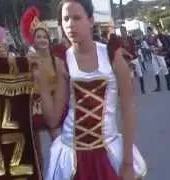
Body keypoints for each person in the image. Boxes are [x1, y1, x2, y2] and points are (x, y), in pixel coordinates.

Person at [33, 0, 147, 179]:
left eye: (77, 18)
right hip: (72, 156)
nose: (70, 24)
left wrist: (127, 162)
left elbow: (128, 111)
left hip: (107, 152)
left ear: (91, 20)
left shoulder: (112, 57)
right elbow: (53, 119)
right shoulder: (64, 61)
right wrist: (42, 84)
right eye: (66, 19)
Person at [21, 6, 67, 175]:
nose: (41, 40)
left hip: (54, 108)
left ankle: (63, 174)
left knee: (60, 147)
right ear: (34, 40)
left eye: (44, 37)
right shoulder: (28, 61)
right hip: (34, 110)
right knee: (35, 152)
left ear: (49, 39)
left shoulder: (58, 61)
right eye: (38, 37)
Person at [120, 26, 146, 94]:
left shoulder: (130, 39)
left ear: (125, 31)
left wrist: (137, 52)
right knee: (130, 76)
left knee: (139, 73)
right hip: (128, 61)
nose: (123, 33)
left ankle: (142, 89)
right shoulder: (120, 41)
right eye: (121, 31)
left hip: (134, 59)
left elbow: (135, 47)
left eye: (124, 31)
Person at [145, 26, 170, 92]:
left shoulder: (156, 37)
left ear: (151, 31)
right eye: (147, 31)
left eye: (149, 31)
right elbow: (146, 47)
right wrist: (150, 49)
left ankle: (169, 86)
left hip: (159, 55)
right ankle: (158, 87)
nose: (148, 33)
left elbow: (161, 45)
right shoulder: (146, 39)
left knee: (165, 69)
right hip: (153, 55)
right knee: (156, 71)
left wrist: (156, 49)